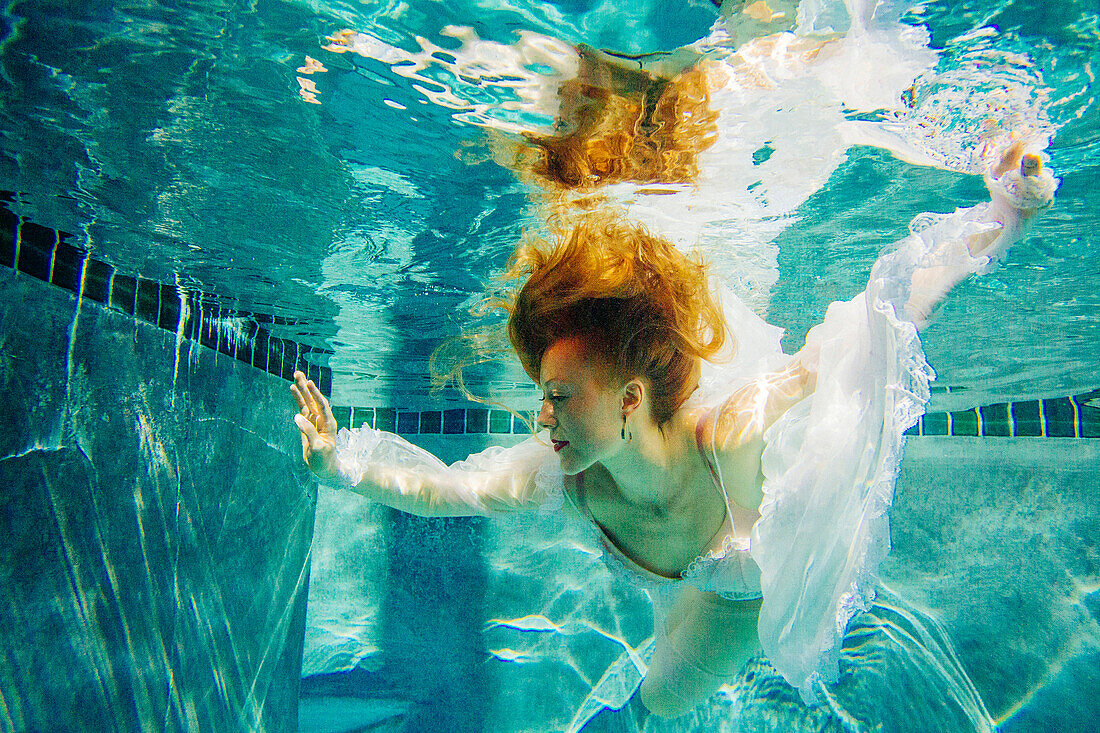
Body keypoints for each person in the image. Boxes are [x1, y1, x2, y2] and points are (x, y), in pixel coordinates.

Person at [292, 131, 1057, 717]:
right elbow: (446, 491)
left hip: (743, 588)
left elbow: (874, 326)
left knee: (662, 702)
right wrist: (340, 464)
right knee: (655, 702)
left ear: (630, 398)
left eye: (560, 395)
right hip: (686, 575)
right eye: (542, 393)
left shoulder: (730, 435)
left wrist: (999, 218)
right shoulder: (564, 474)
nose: (542, 414)